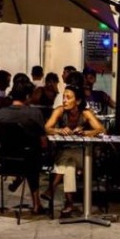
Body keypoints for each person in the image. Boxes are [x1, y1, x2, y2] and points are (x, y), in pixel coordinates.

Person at [45, 85, 105, 218]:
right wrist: (59, 130)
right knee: (69, 165)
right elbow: (46, 127)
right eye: (63, 97)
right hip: (64, 152)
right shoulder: (60, 111)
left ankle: (52, 188)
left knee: (68, 158)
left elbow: (101, 129)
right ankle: (69, 203)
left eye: (68, 98)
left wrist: (85, 132)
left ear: (77, 101)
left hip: (83, 154)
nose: (64, 100)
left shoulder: (85, 113)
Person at [0, 80, 48, 214]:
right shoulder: (34, 113)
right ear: (28, 96)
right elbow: (43, 143)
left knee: (29, 155)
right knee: (35, 155)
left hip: (5, 161)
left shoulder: (0, 113)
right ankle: (37, 203)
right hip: (29, 162)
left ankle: (20, 180)